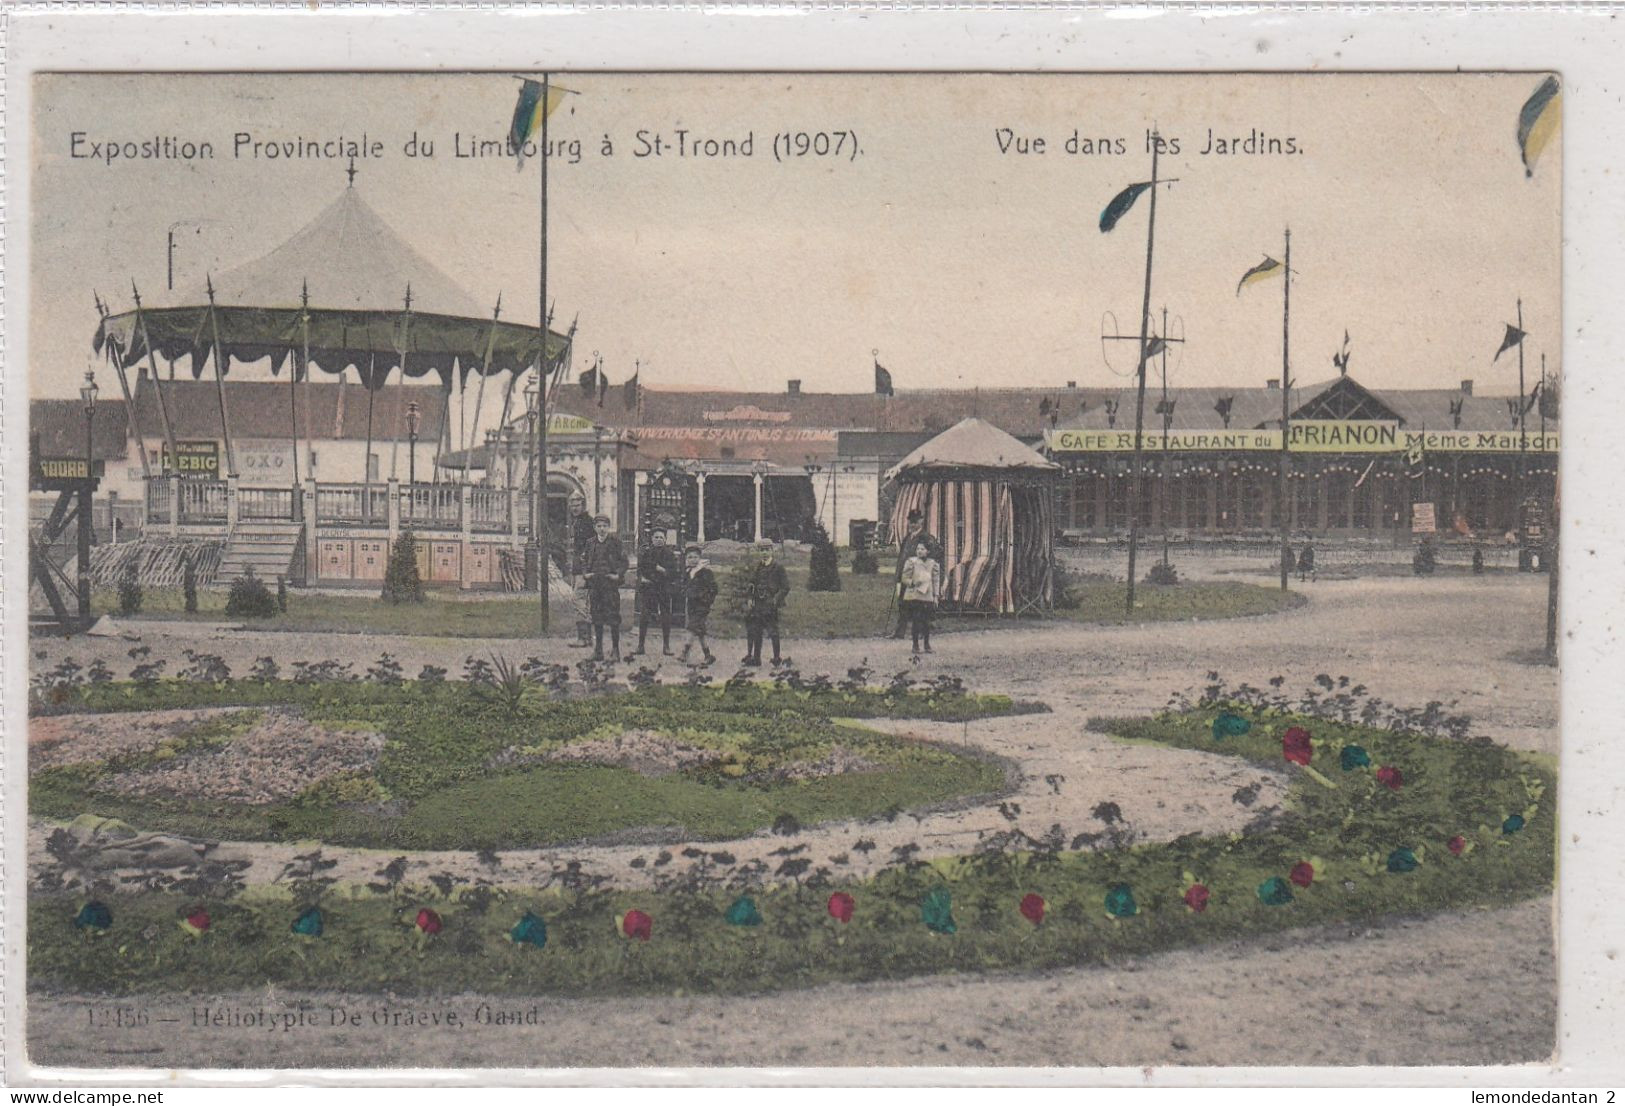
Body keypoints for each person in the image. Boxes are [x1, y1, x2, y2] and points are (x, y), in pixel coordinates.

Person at [891, 509, 944, 638]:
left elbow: (936, 554)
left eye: (915, 522)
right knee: (903, 603)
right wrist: (898, 576)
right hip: (906, 577)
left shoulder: (926, 538)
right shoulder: (907, 538)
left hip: (919, 578)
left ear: (921, 521)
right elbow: (901, 558)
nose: (912, 525)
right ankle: (900, 632)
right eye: (910, 522)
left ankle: (921, 631)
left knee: (919, 605)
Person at [581, 515, 627, 661]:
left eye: (604, 526)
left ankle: (615, 650)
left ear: (609, 527)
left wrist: (617, 575)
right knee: (597, 617)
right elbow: (583, 560)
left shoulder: (616, 542)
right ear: (594, 528)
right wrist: (585, 574)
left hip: (610, 585)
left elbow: (624, 562)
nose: (602, 529)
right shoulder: (590, 543)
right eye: (599, 526)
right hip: (595, 584)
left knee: (613, 617)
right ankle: (598, 650)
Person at [742, 539, 791, 667]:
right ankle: (756, 659)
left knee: (773, 631)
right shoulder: (759, 567)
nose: (764, 553)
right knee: (757, 631)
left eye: (767, 550)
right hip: (758, 603)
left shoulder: (778, 567)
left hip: (770, 604)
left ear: (772, 550)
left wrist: (776, 599)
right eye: (762, 550)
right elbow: (752, 584)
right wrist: (750, 598)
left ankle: (776, 658)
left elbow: (786, 587)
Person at [634, 529, 678, 655]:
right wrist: (656, 570)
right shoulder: (647, 553)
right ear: (652, 539)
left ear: (665, 540)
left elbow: (673, 572)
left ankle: (666, 646)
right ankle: (640, 645)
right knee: (644, 615)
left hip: (663, 588)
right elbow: (643, 568)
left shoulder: (669, 554)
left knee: (665, 615)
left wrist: (662, 570)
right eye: (656, 537)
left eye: (661, 537)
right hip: (649, 587)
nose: (659, 540)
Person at [898, 540, 943, 654]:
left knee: (927, 622)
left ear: (927, 551)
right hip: (915, 595)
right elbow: (904, 577)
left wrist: (936, 596)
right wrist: (912, 582)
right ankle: (915, 645)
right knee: (916, 621)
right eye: (918, 549)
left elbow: (936, 580)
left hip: (927, 596)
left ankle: (927, 645)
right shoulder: (911, 562)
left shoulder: (933, 564)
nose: (919, 551)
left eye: (922, 549)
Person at [679, 544, 718, 667]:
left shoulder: (705, 572)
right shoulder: (687, 572)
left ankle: (684, 652)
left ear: (700, 558)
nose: (693, 559)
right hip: (691, 605)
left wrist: (707, 600)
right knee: (699, 631)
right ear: (686, 559)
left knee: (692, 627)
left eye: (695, 557)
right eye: (690, 557)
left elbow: (713, 588)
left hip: (702, 606)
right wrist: (684, 592)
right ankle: (708, 655)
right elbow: (683, 586)